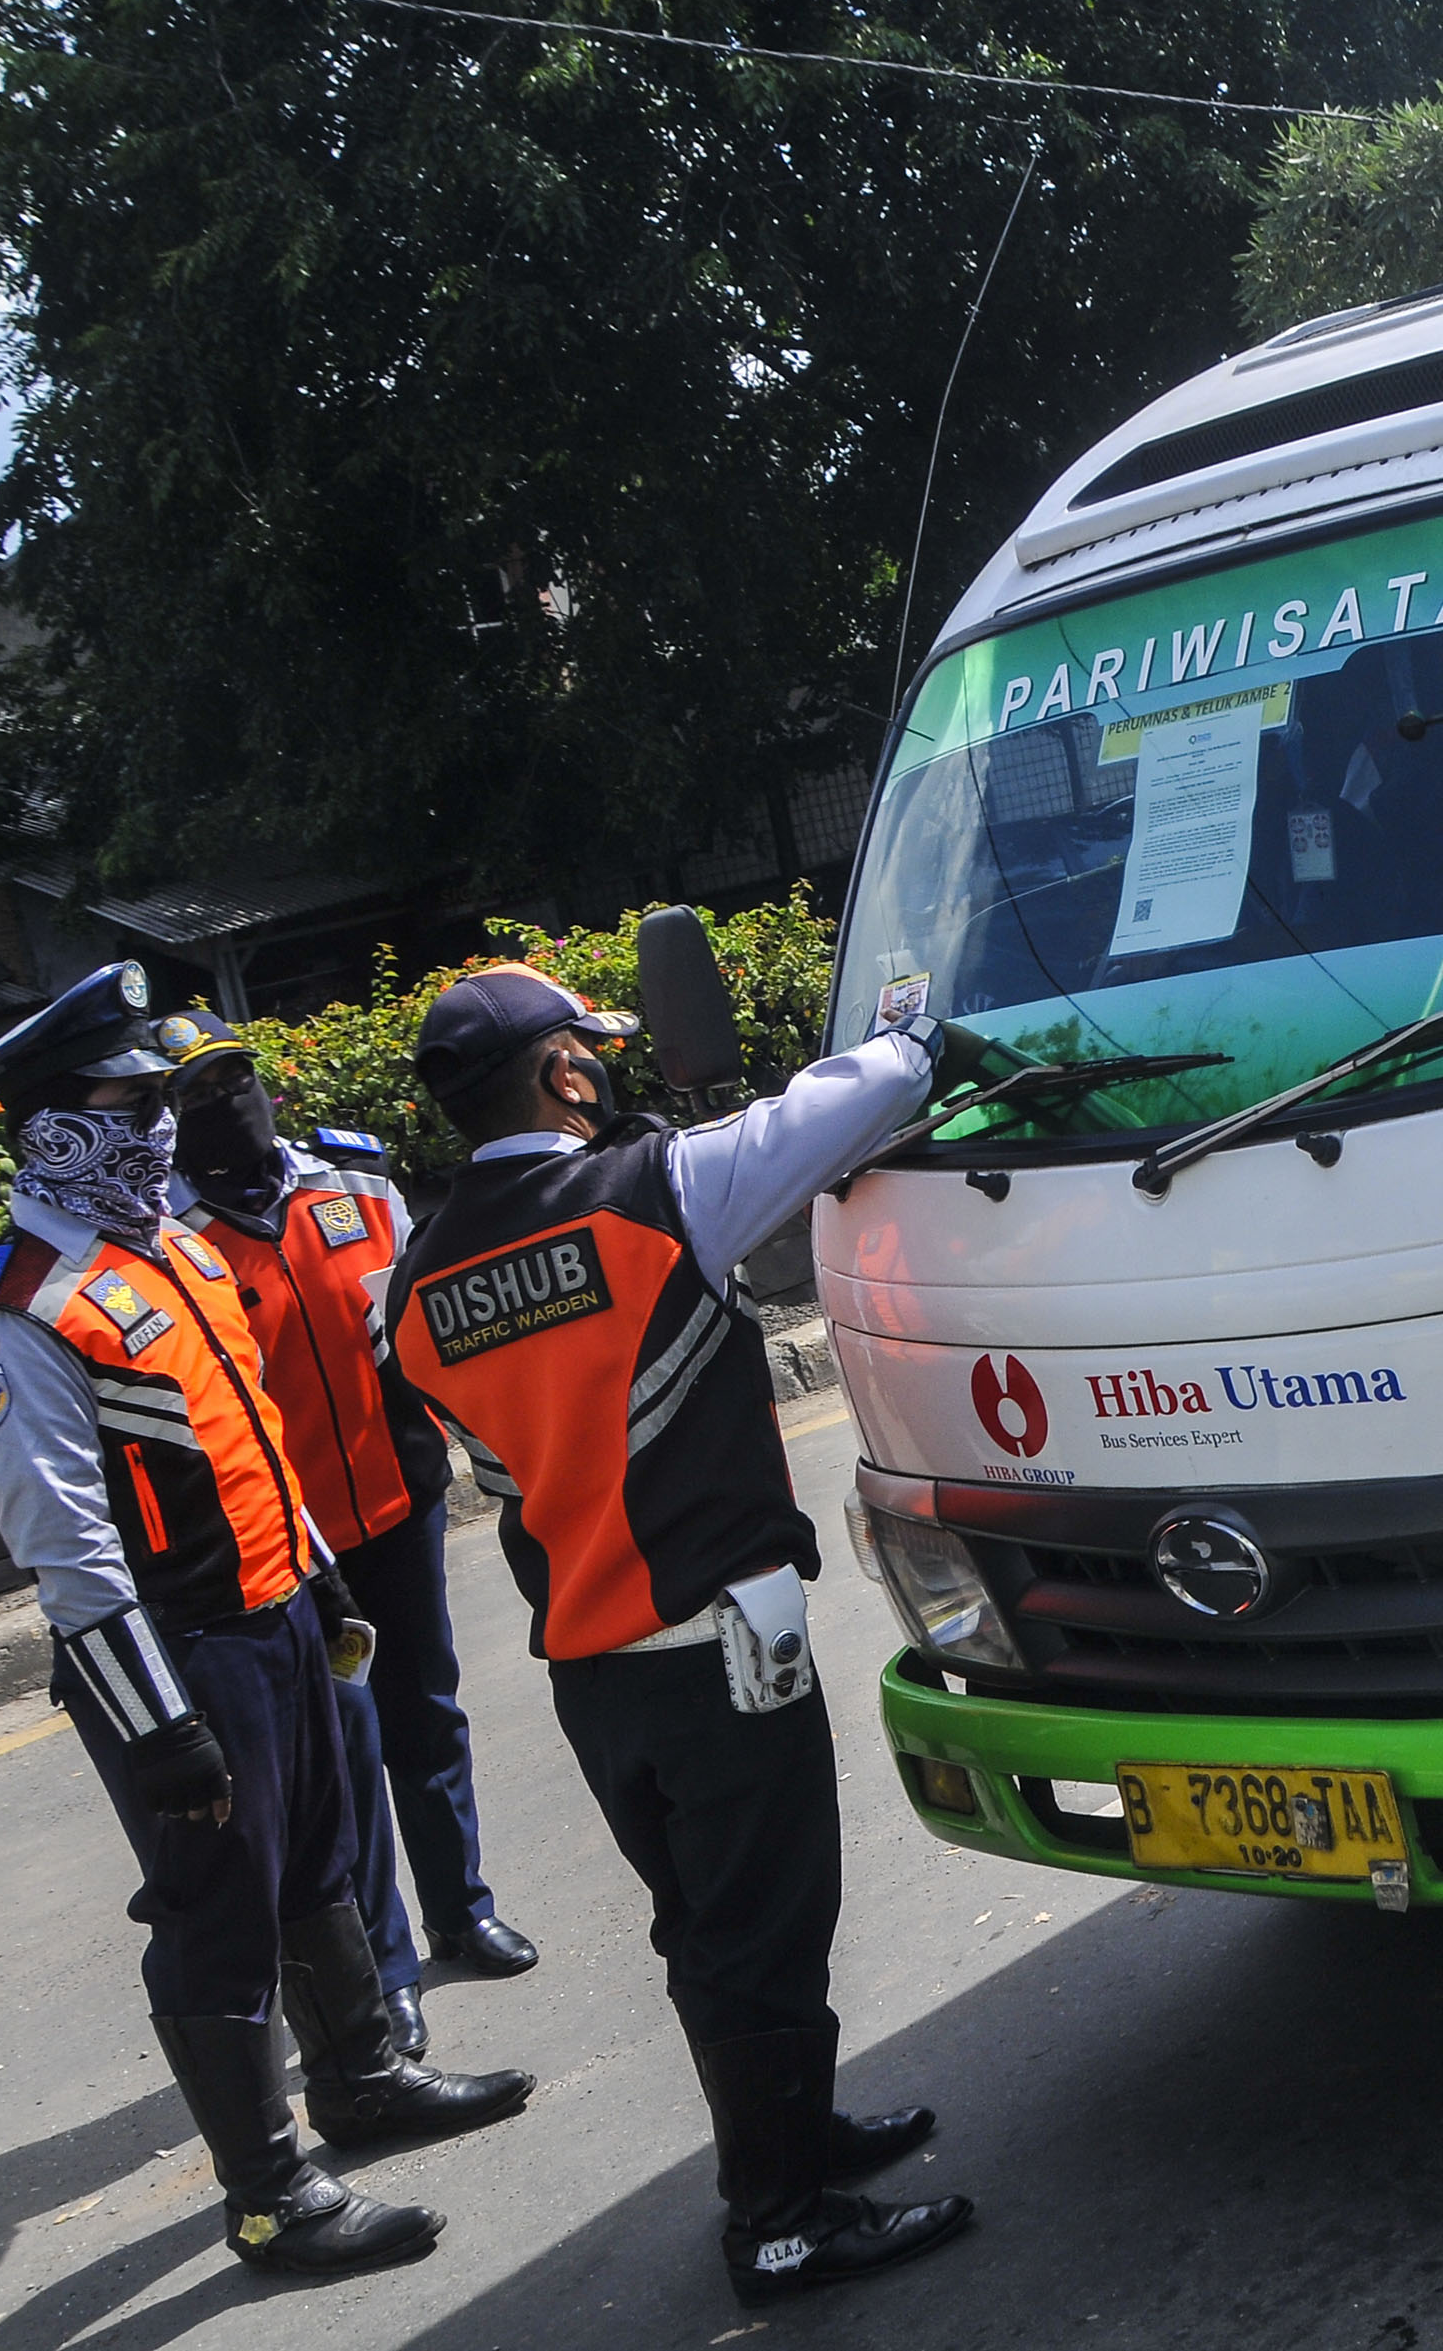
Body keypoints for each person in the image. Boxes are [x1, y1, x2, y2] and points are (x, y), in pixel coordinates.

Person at [383, 963, 973, 2305]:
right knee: (767, 1930)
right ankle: (782, 2220)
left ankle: (792, 2138)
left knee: (706, 1929)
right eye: (588, 1050)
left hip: (594, 1669)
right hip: (722, 1644)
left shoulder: (409, 1287)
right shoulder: (657, 1192)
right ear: (565, 1073)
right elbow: (875, 1085)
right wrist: (912, 1019)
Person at [0, 962, 530, 2277]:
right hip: (178, 1657)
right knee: (218, 1917)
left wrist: (320, 1581)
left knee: (316, 1863)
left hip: (277, 1616)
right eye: (126, 1104)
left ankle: (362, 2079)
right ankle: (268, 2198)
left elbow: (251, 1439)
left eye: (161, 1101)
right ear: (49, 1126)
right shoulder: (19, 1314)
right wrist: (162, 1729)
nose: (159, 1126)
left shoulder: (172, 1248)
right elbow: (70, 1553)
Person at [158, 1007, 538, 2063]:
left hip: (399, 1500)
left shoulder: (357, 1180)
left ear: (263, 1079)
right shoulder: (174, 1239)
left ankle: (462, 1910)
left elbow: (421, 1320)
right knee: (349, 1749)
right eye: (194, 1094)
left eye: (232, 1078)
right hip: (295, 1546)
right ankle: (387, 1971)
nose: (223, 1104)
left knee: (428, 1710)